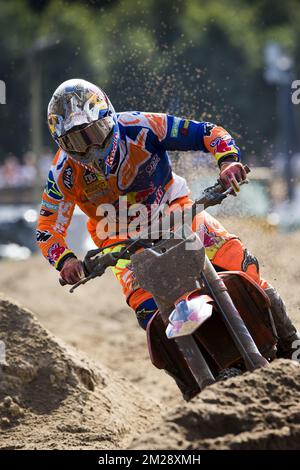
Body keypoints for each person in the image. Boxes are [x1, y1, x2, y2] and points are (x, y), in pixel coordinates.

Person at [37, 78, 298, 360]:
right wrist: (65, 261)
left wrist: (227, 161)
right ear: (61, 143)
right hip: (121, 243)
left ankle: (291, 342)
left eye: (92, 133)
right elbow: (47, 227)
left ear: (108, 116)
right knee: (150, 316)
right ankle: (191, 381)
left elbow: (206, 132)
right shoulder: (63, 172)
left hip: (176, 214)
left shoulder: (142, 126)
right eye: (75, 141)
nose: (89, 149)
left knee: (244, 267)